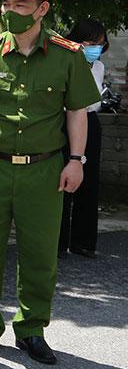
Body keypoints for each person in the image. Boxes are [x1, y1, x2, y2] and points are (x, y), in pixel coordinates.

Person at [0, 0, 101, 365]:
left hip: (45, 168)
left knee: (39, 253)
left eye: (21, 3)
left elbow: (77, 112)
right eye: (6, 1)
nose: (10, 10)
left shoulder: (66, 57)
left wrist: (77, 161)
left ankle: (32, 328)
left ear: (42, 9)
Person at [58, 19, 109, 259]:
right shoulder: (63, 63)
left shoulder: (98, 67)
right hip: (65, 121)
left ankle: (84, 241)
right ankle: (58, 241)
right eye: (90, 43)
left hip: (91, 122)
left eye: (100, 44)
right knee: (62, 180)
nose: (95, 48)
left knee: (89, 181)